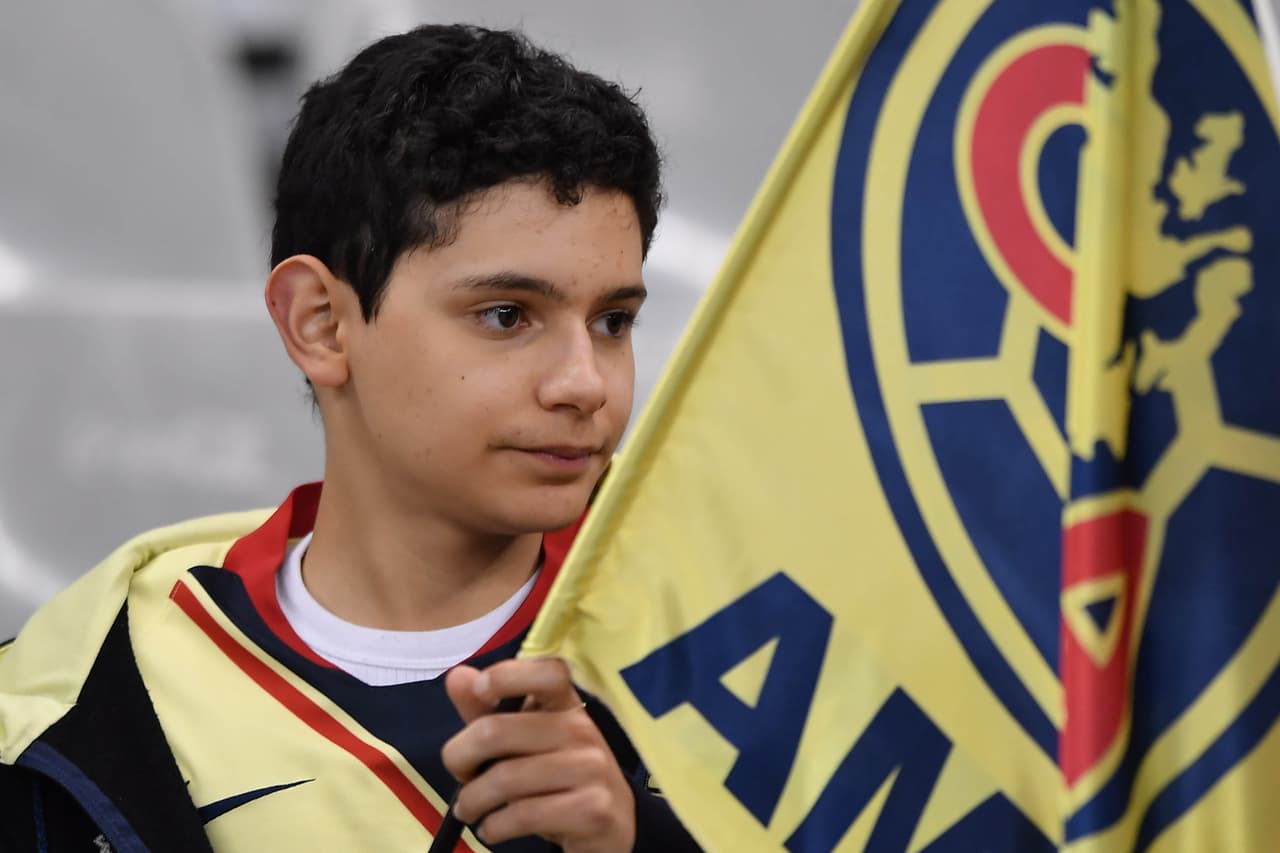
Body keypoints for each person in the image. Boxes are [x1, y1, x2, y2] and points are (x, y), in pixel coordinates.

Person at [0, 24, 700, 852]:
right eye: (507, 315)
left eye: (614, 320)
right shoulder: (84, 686)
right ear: (321, 323)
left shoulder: (739, 652)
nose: (586, 382)